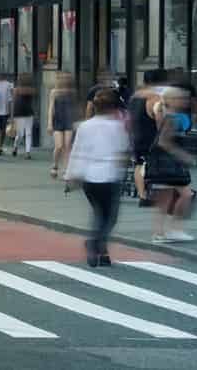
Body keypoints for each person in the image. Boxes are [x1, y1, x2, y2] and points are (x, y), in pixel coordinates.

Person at [64, 90, 131, 267]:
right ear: (114, 108)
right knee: (110, 216)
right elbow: (123, 151)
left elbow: (77, 151)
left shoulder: (84, 126)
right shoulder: (118, 127)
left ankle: (102, 251)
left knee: (99, 213)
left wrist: (70, 176)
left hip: (89, 176)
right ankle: (95, 243)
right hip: (110, 175)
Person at [145, 89, 197, 243]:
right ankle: (174, 229)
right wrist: (184, 156)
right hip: (170, 164)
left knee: (164, 199)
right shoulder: (172, 118)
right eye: (180, 98)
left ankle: (160, 233)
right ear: (171, 100)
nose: (184, 101)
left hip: (164, 164)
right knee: (186, 194)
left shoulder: (167, 115)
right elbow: (164, 141)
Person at [128, 71, 166, 206]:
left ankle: (142, 195)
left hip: (136, 135)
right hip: (149, 137)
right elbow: (159, 121)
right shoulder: (155, 99)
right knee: (153, 164)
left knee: (139, 164)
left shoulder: (134, 97)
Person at [48, 73, 78, 178]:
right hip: (58, 120)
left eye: (66, 78)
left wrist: (75, 121)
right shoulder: (54, 92)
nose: (64, 80)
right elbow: (51, 108)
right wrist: (49, 123)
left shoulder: (72, 92)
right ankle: (55, 165)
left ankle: (66, 169)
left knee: (67, 146)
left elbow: (75, 108)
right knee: (59, 146)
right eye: (62, 78)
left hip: (69, 120)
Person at [10, 80, 38, 160]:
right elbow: (13, 102)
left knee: (28, 133)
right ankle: (15, 147)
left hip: (29, 114)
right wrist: (12, 116)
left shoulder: (31, 90)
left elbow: (34, 100)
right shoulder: (16, 90)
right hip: (19, 114)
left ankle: (27, 152)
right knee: (20, 134)